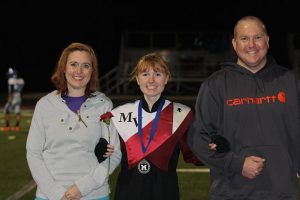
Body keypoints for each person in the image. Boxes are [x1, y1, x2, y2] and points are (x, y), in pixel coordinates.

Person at [187, 15, 300, 200]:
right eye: (244, 38)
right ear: (234, 43)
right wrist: (236, 164)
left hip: (282, 193)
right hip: (231, 192)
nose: (252, 45)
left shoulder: (289, 81)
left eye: (257, 37)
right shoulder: (215, 85)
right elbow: (197, 138)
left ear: (267, 40)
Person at [26, 42, 121, 200]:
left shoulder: (104, 105)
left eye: (86, 65)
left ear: (92, 70)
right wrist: (56, 193)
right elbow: (33, 153)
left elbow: (114, 153)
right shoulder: (44, 104)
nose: (79, 71)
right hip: (50, 196)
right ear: (64, 68)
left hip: (94, 195)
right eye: (73, 64)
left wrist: (82, 187)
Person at [109, 52, 201, 200]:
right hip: (127, 192)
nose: (151, 80)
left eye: (157, 74)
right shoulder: (119, 114)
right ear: (137, 79)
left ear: (166, 78)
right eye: (145, 74)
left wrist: (213, 145)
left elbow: (194, 155)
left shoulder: (183, 114)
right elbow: (107, 155)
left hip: (165, 192)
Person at [0, 67, 25, 132]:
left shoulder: (11, 80)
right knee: (17, 111)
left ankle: (7, 126)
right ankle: (17, 126)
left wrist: (10, 99)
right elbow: (21, 92)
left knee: (6, 111)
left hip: (13, 96)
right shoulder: (21, 80)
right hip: (19, 96)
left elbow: (12, 90)